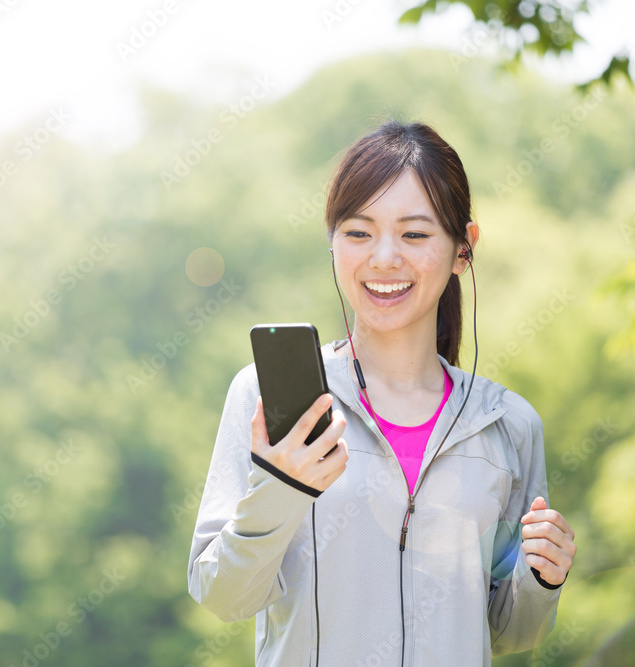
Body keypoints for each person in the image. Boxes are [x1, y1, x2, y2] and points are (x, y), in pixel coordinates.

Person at [187, 118, 576, 665]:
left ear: (464, 249)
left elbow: (510, 632)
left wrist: (541, 578)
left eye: (414, 234)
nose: (384, 257)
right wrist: (282, 487)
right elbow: (223, 594)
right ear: (332, 242)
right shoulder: (270, 397)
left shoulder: (507, 425)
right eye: (358, 232)